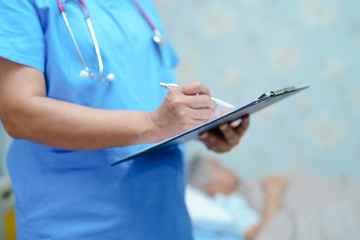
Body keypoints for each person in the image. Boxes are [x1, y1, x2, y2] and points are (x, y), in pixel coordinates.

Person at [0, 1, 250, 239]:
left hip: (166, 219)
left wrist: (200, 127)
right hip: (78, 223)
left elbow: (144, 101)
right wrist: (156, 124)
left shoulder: (139, 4)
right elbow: (20, 115)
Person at [187, 155, 286, 240]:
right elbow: (258, 234)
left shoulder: (240, 193)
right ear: (210, 185)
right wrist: (274, 192)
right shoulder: (227, 203)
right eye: (219, 166)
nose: (227, 167)